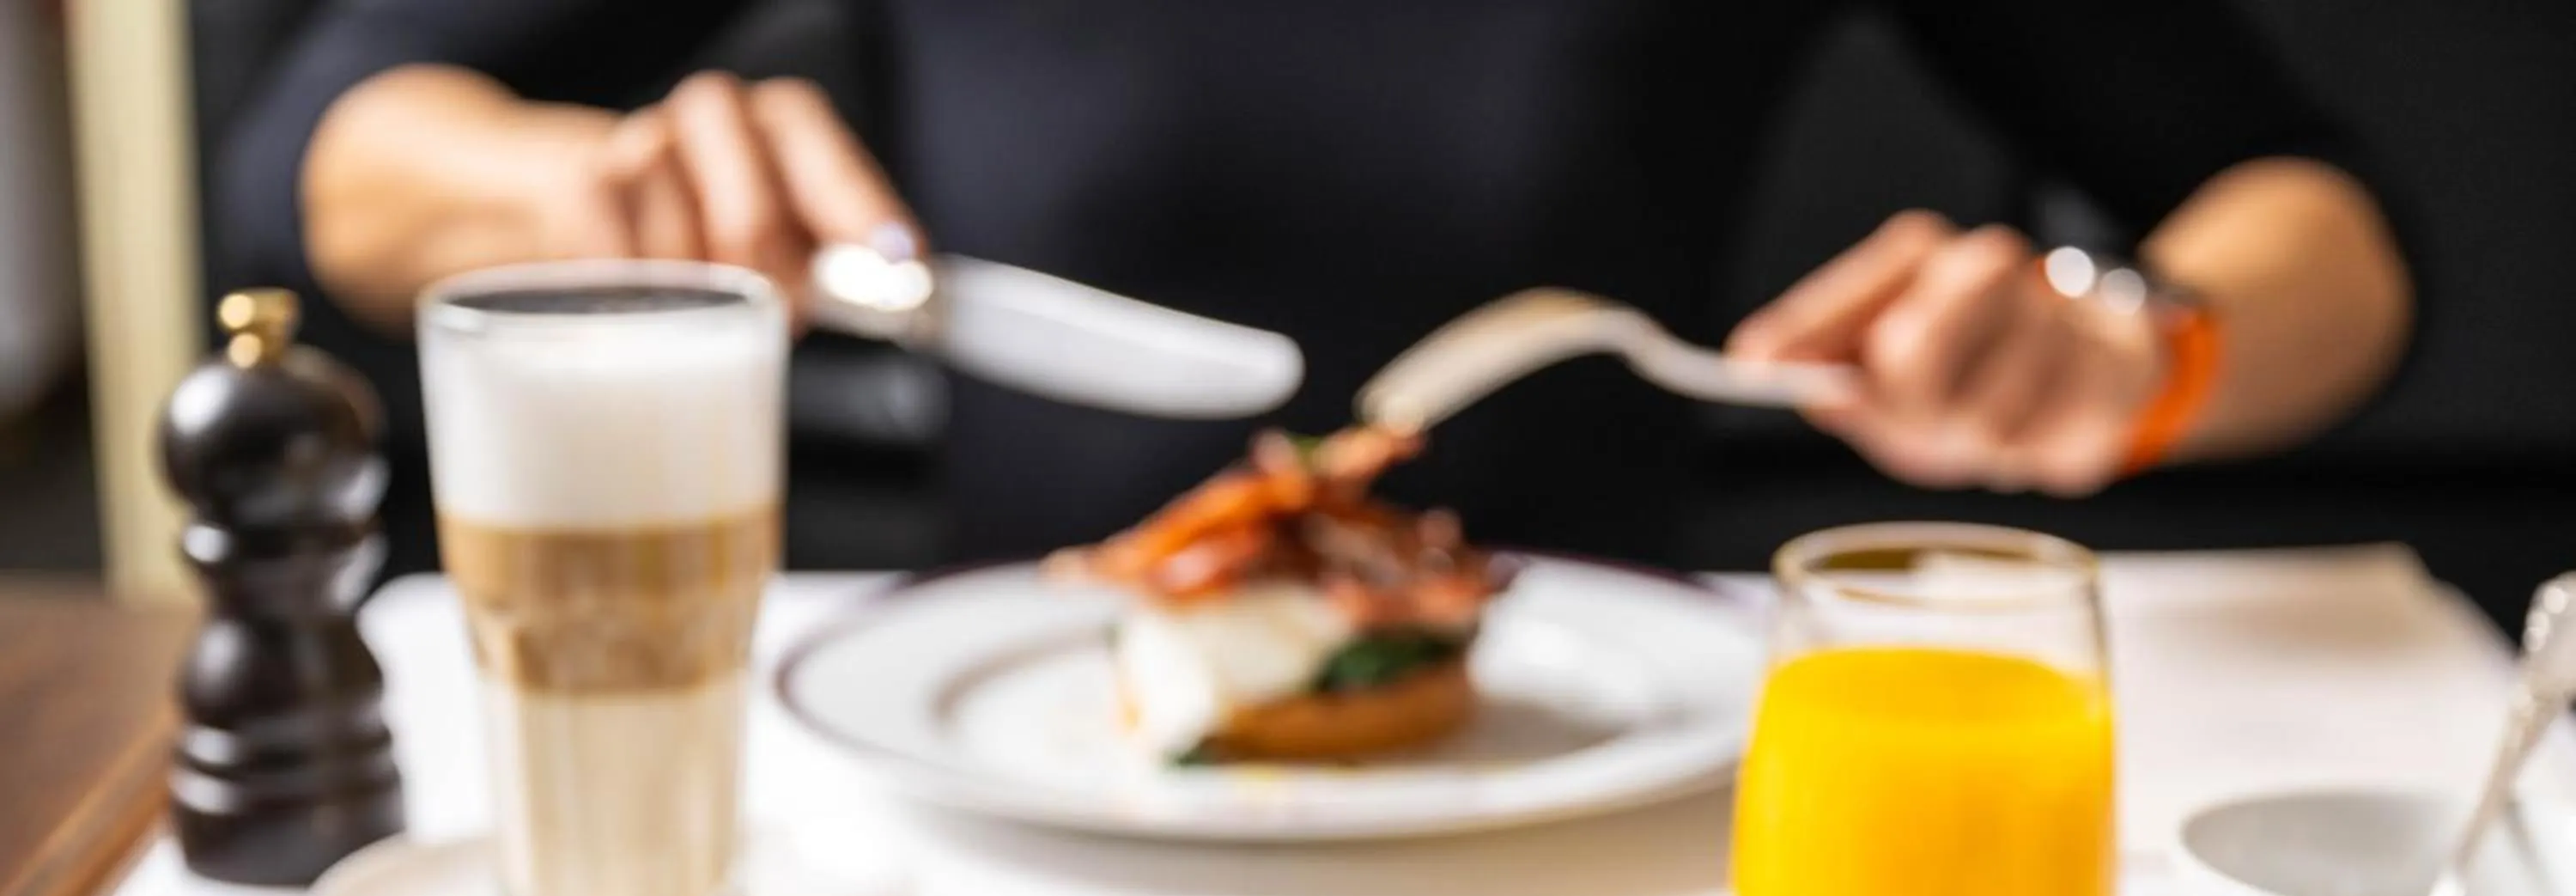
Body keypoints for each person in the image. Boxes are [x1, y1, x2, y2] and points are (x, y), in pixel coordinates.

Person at [220, 0, 2412, 566]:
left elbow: (2325, 226)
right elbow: (323, 154)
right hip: (991, 779)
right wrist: (591, 185)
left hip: (1610, 786)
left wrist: (2127, 352)